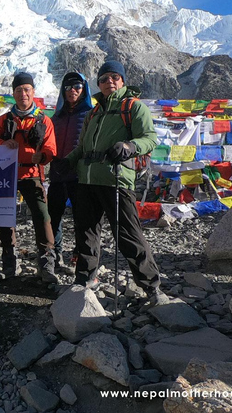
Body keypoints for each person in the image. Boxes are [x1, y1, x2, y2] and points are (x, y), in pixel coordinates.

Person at [65, 60, 169, 305]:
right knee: (86, 231)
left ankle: (151, 286)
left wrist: (130, 146)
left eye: (114, 77)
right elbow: (82, 146)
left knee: (128, 235)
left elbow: (150, 138)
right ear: (99, 84)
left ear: (122, 81)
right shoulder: (94, 112)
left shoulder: (133, 107)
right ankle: (85, 278)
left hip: (117, 179)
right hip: (88, 180)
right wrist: (68, 161)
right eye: (103, 79)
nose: (109, 82)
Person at [0, 72, 58, 284]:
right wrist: (2, 144)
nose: (23, 94)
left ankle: (46, 262)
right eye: (19, 90)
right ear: (13, 94)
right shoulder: (4, 120)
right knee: (6, 219)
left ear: (33, 92)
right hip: (7, 175)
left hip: (32, 175)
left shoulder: (43, 120)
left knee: (42, 217)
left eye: (26, 90)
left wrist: (43, 156)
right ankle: (10, 261)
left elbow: (51, 147)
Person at [48, 72, 93, 275]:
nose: (72, 91)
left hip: (80, 175)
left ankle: (80, 254)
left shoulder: (92, 114)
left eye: (77, 86)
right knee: (54, 216)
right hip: (57, 172)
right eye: (68, 87)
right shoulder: (56, 116)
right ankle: (55, 254)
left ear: (84, 89)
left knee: (81, 217)